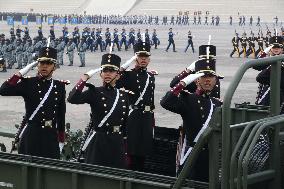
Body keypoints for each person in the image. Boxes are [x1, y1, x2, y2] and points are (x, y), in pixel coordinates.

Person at [160, 54, 223, 182]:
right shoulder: (188, 99)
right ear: (196, 80)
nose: (207, 80)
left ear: (215, 80)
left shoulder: (217, 104)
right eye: (203, 77)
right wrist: (183, 83)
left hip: (211, 155)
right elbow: (165, 102)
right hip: (192, 154)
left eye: (210, 77)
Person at [0, 46, 67, 159]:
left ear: (54, 67)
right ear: (37, 65)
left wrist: (61, 139)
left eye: (48, 63)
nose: (44, 66)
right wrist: (23, 71)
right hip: (31, 135)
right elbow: (3, 90)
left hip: (50, 136)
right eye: (41, 63)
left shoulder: (59, 86)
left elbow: (61, 115)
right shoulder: (29, 83)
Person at [68, 53, 130, 169]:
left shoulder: (123, 95)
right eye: (105, 70)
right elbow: (72, 99)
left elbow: (125, 125)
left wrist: (126, 150)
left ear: (117, 75)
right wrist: (84, 78)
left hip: (116, 143)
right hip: (99, 142)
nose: (107, 73)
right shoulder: (94, 92)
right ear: (101, 74)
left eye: (111, 71)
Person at [116, 41, 157, 171]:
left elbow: (150, 100)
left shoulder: (151, 77)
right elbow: (114, 81)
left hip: (146, 118)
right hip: (133, 117)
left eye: (146, 57)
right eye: (140, 56)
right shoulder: (128, 75)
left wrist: (152, 119)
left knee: (144, 152)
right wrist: (125, 66)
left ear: (149, 59)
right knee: (131, 151)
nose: (143, 59)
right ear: (136, 58)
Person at [254, 36, 284, 110]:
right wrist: (265, 52)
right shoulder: (267, 60)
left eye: (278, 47)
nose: (276, 49)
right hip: (265, 94)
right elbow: (255, 65)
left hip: (280, 96)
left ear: (282, 49)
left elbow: (260, 77)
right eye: (274, 47)